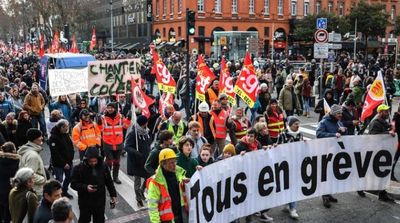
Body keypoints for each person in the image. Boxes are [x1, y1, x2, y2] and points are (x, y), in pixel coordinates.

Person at [71, 147, 117, 223]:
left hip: (99, 201)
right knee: (84, 220)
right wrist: (86, 187)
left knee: (99, 220)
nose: (93, 163)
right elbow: (73, 184)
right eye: (90, 161)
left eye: (95, 161)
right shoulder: (78, 168)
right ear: (86, 159)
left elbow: (109, 181)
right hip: (85, 201)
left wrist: (113, 194)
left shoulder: (104, 166)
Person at [316, 104, 346, 208]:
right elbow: (319, 134)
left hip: (335, 152)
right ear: (333, 114)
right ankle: (325, 196)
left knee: (332, 174)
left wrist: (342, 131)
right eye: (338, 113)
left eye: (341, 113)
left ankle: (329, 193)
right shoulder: (324, 122)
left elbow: (339, 135)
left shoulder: (338, 122)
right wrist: (333, 135)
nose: (340, 115)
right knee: (325, 175)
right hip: (325, 152)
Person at [147, 148, 188, 223]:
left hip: (181, 216)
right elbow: (152, 205)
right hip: (167, 220)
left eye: (175, 162)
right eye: (171, 163)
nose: (174, 165)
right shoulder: (155, 181)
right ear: (163, 164)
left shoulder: (179, 174)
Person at [366, 104, 396, 202]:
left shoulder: (382, 121)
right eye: (386, 111)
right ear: (380, 112)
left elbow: (386, 126)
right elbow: (373, 137)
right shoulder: (375, 122)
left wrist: (391, 126)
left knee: (382, 172)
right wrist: (388, 133)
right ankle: (362, 187)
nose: (388, 113)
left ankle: (382, 193)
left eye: (388, 111)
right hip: (376, 152)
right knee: (375, 172)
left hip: (382, 151)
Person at [276, 116, 303, 219]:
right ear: (290, 125)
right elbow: (278, 148)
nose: (297, 125)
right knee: (285, 184)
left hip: (296, 164)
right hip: (285, 164)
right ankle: (288, 203)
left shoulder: (300, 134)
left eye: (298, 123)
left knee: (294, 186)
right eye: (295, 124)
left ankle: (293, 208)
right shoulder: (282, 135)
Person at [98, 102, 130, 184]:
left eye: (111, 108)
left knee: (117, 162)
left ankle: (115, 177)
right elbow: (100, 130)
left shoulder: (120, 117)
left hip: (118, 143)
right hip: (107, 143)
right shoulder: (103, 118)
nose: (110, 109)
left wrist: (129, 119)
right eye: (108, 108)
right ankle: (107, 177)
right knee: (109, 162)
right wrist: (99, 123)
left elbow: (125, 126)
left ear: (115, 108)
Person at [124, 115, 152, 207]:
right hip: (136, 161)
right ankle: (138, 198)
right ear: (144, 123)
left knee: (148, 177)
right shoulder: (133, 133)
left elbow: (148, 143)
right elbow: (127, 146)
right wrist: (136, 153)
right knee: (137, 181)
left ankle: (141, 191)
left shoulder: (147, 132)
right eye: (146, 122)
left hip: (146, 160)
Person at [49, 120, 74, 199]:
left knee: (69, 177)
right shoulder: (53, 137)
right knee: (59, 180)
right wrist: (64, 164)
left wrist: (71, 158)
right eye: (66, 127)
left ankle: (64, 191)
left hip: (69, 161)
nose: (67, 129)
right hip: (59, 164)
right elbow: (55, 153)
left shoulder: (65, 134)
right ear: (61, 127)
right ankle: (57, 194)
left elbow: (70, 146)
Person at [18, 128, 47, 196]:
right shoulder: (32, 155)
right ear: (35, 139)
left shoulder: (28, 151)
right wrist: (43, 179)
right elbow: (29, 175)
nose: (42, 138)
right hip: (36, 190)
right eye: (40, 136)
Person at [0, 142, 19, 223]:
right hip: (10, 188)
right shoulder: (16, 161)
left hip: (1, 187)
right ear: (13, 151)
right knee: (9, 208)